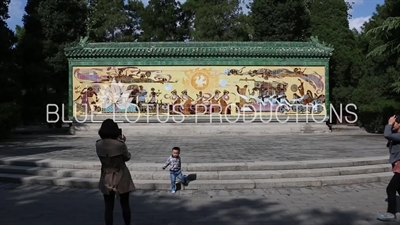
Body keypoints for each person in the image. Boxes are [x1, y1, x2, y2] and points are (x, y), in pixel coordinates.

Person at [96, 119, 135, 225]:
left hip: (106, 176)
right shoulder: (119, 144)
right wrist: (122, 142)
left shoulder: (98, 144)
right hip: (120, 175)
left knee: (108, 207)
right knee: (125, 204)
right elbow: (127, 157)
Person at [377, 115, 400, 222]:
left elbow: (387, 134)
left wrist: (389, 124)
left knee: (390, 188)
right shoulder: (396, 135)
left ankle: (391, 213)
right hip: (397, 165)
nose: (391, 125)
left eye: (394, 123)